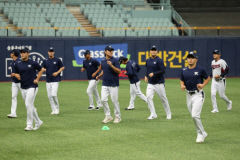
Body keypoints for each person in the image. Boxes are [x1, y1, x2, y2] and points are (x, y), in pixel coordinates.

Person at [180, 52, 210, 143]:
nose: (190, 59)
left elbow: (208, 78)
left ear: (196, 59)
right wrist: (182, 85)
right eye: (189, 58)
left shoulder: (200, 69)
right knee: (194, 116)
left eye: (192, 58)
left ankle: (202, 133)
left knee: (195, 115)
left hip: (198, 94)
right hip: (188, 95)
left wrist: (203, 84)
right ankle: (199, 133)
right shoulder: (184, 70)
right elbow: (182, 80)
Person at [12, 47, 44, 131]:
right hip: (23, 87)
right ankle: (38, 121)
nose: (22, 54)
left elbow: (41, 70)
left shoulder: (33, 63)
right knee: (30, 106)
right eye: (21, 52)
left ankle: (29, 125)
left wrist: (37, 79)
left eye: (24, 52)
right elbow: (15, 73)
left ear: (28, 53)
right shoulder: (18, 63)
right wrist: (16, 75)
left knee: (27, 104)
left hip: (32, 87)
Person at [145, 45, 172, 120]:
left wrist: (154, 73)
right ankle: (153, 114)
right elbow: (147, 69)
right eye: (152, 50)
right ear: (150, 51)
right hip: (150, 83)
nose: (153, 51)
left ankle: (168, 113)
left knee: (163, 99)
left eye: (155, 50)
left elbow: (163, 70)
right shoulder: (148, 60)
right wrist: (146, 76)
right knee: (148, 97)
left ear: (157, 52)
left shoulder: (159, 60)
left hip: (159, 83)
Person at [96, 46, 121, 124]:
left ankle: (118, 117)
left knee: (114, 101)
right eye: (109, 50)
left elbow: (119, 71)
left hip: (113, 84)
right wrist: (99, 76)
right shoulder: (103, 61)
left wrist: (111, 65)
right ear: (105, 52)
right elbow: (104, 70)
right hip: (105, 83)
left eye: (112, 51)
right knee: (103, 100)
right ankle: (108, 116)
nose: (111, 52)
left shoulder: (115, 60)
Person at [42, 47, 65, 115]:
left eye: (52, 51)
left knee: (54, 95)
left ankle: (57, 108)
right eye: (50, 51)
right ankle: (53, 109)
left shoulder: (57, 60)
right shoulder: (45, 60)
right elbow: (42, 68)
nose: (51, 52)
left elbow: (62, 67)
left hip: (55, 80)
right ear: (48, 52)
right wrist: (43, 69)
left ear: (53, 52)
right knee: (49, 96)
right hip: (48, 80)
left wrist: (57, 72)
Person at [7, 49, 22, 118]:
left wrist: (15, 74)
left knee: (26, 98)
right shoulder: (13, 62)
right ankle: (13, 113)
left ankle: (32, 110)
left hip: (21, 83)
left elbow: (22, 72)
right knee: (13, 97)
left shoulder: (19, 62)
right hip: (14, 83)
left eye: (11, 53)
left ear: (14, 54)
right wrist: (13, 75)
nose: (10, 54)